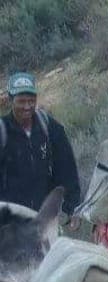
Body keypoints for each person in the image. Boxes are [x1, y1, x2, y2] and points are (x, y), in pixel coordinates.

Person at [0, 72, 80, 225]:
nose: (27, 106)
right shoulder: (2, 131)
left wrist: (73, 206)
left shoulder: (49, 127)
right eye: (21, 101)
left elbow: (67, 169)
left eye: (31, 100)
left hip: (45, 218)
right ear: (11, 100)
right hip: (10, 224)